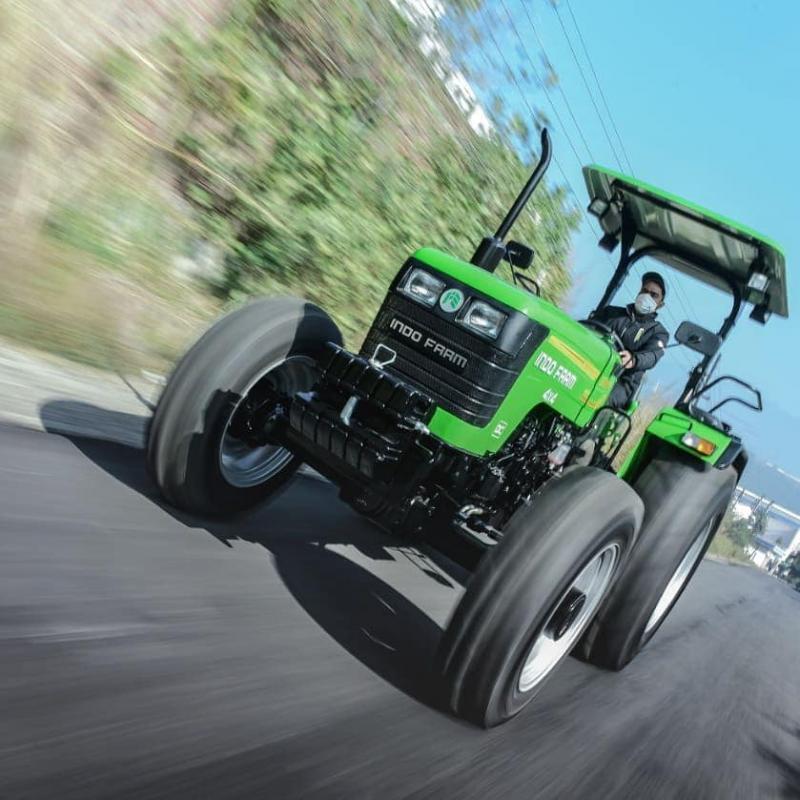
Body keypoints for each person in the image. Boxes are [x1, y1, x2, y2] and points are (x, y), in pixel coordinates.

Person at [593, 271, 669, 409]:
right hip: (592, 364)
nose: (647, 296)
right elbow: (588, 327)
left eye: (654, 295)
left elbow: (652, 356)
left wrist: (634, 359)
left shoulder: (657, 332)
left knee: (597, 396)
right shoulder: (611, 313)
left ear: (660, 304)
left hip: (621, 382)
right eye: (644, 291)